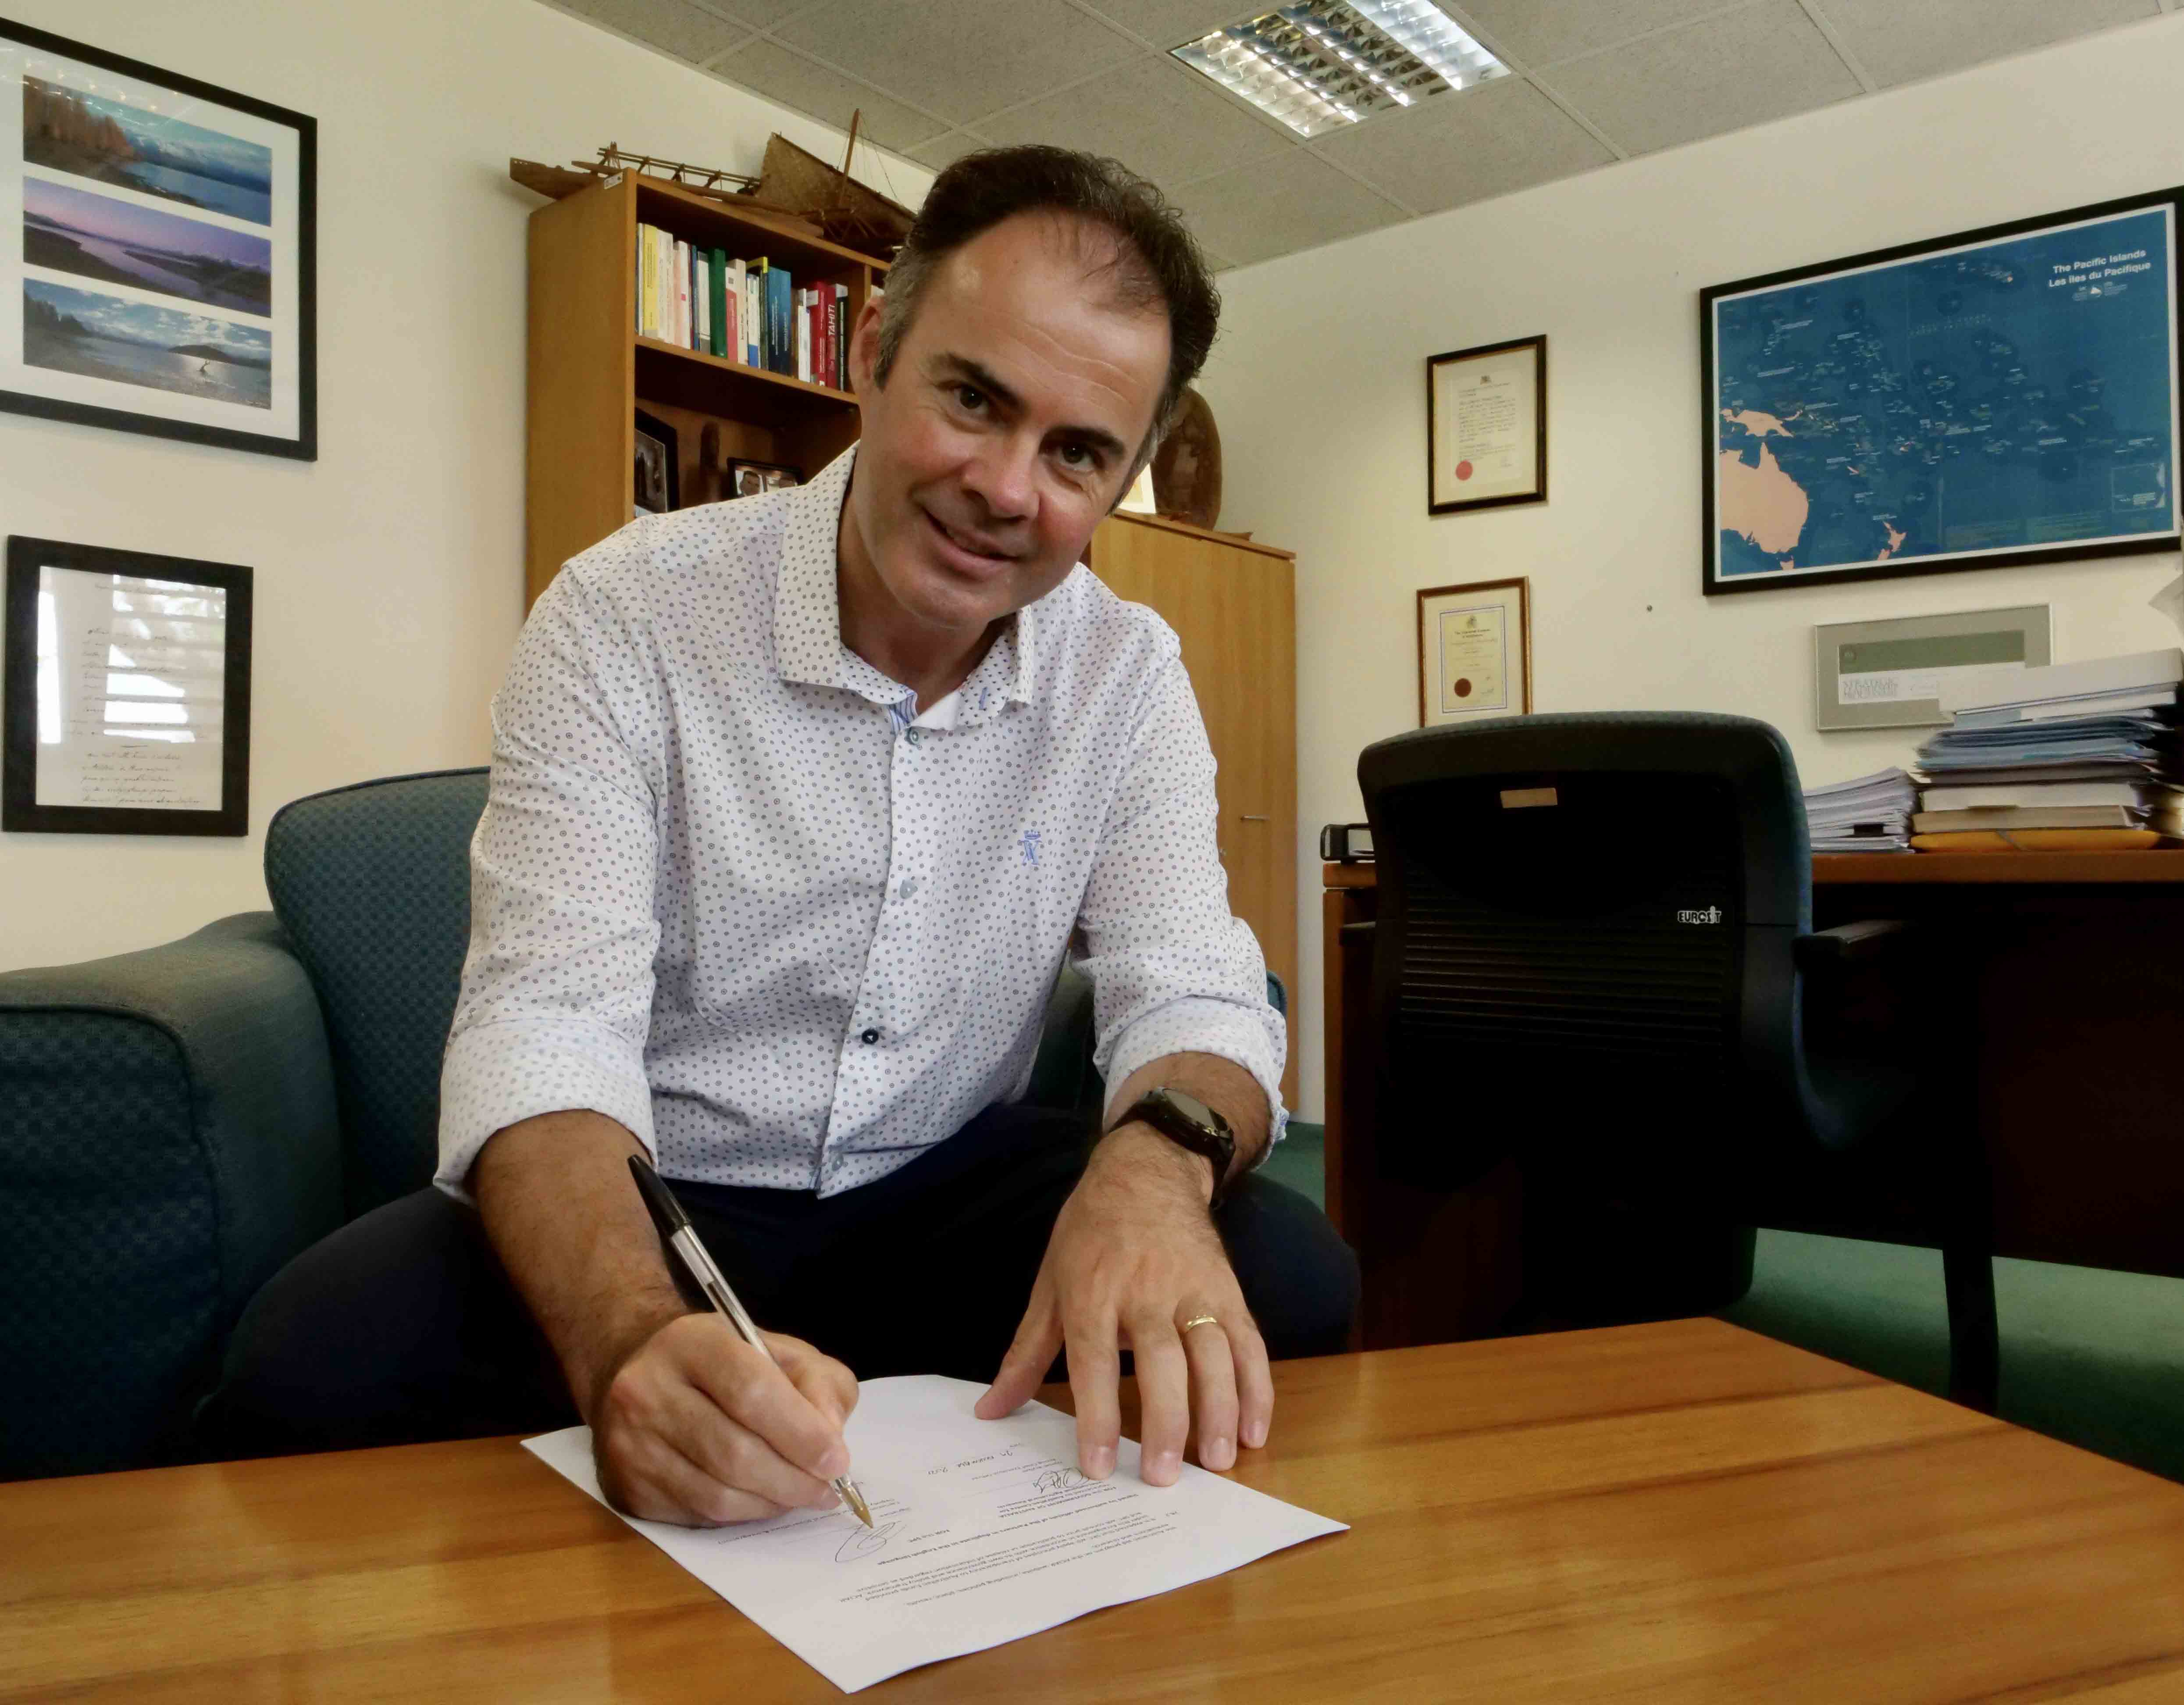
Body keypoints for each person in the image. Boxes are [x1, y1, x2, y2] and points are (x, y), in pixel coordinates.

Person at [205, 145, 1356, 1526]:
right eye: (973, 398)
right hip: (659, 1196)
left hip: (949, 1187)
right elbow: (544, 1028)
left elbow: (1193, 982)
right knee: (309, 1368)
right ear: (874, 350)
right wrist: (627, 1339)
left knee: (1284, 1278)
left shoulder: (1128, 670)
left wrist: (1156, 1173)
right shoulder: (626, 612)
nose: (1005, 487)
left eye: (1076, 453)